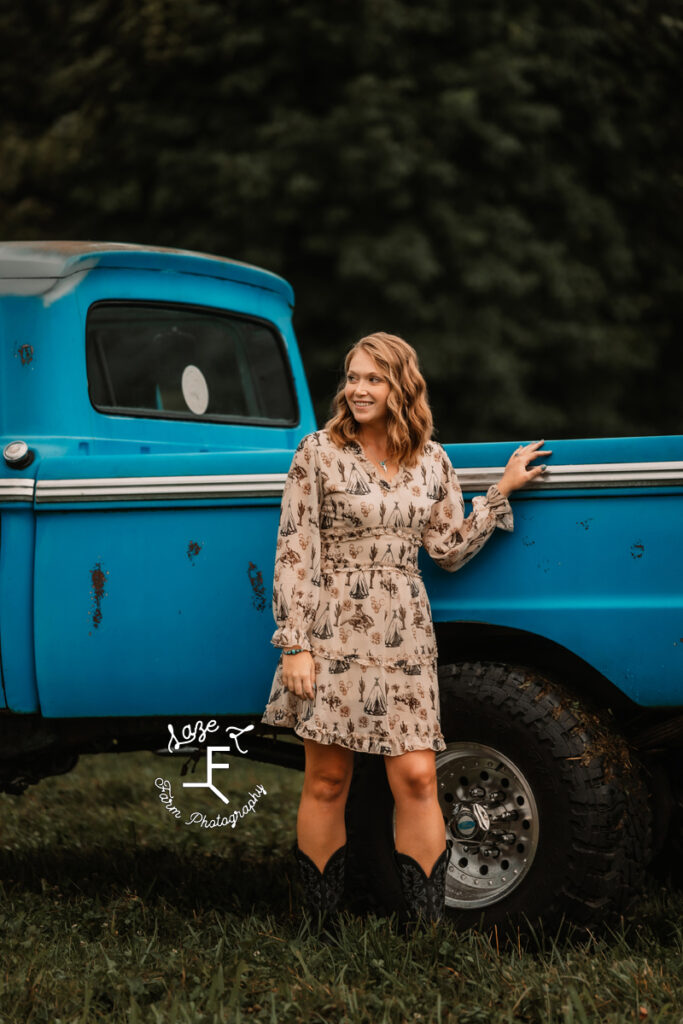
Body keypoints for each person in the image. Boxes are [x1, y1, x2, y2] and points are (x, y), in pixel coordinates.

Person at [259, 332, 550, 932]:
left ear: (401, 387)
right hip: (331, 625)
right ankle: (317, 924)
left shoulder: (432, 460)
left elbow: (445, 549)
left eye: (373, 379)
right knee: (328, 776)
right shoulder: (317, 453)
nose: (358, 389)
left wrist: (500, 492)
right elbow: (295, 552)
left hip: (406, 631)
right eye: (352, 377)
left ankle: (423, 928)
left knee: (417, 775)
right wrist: (295, 644)